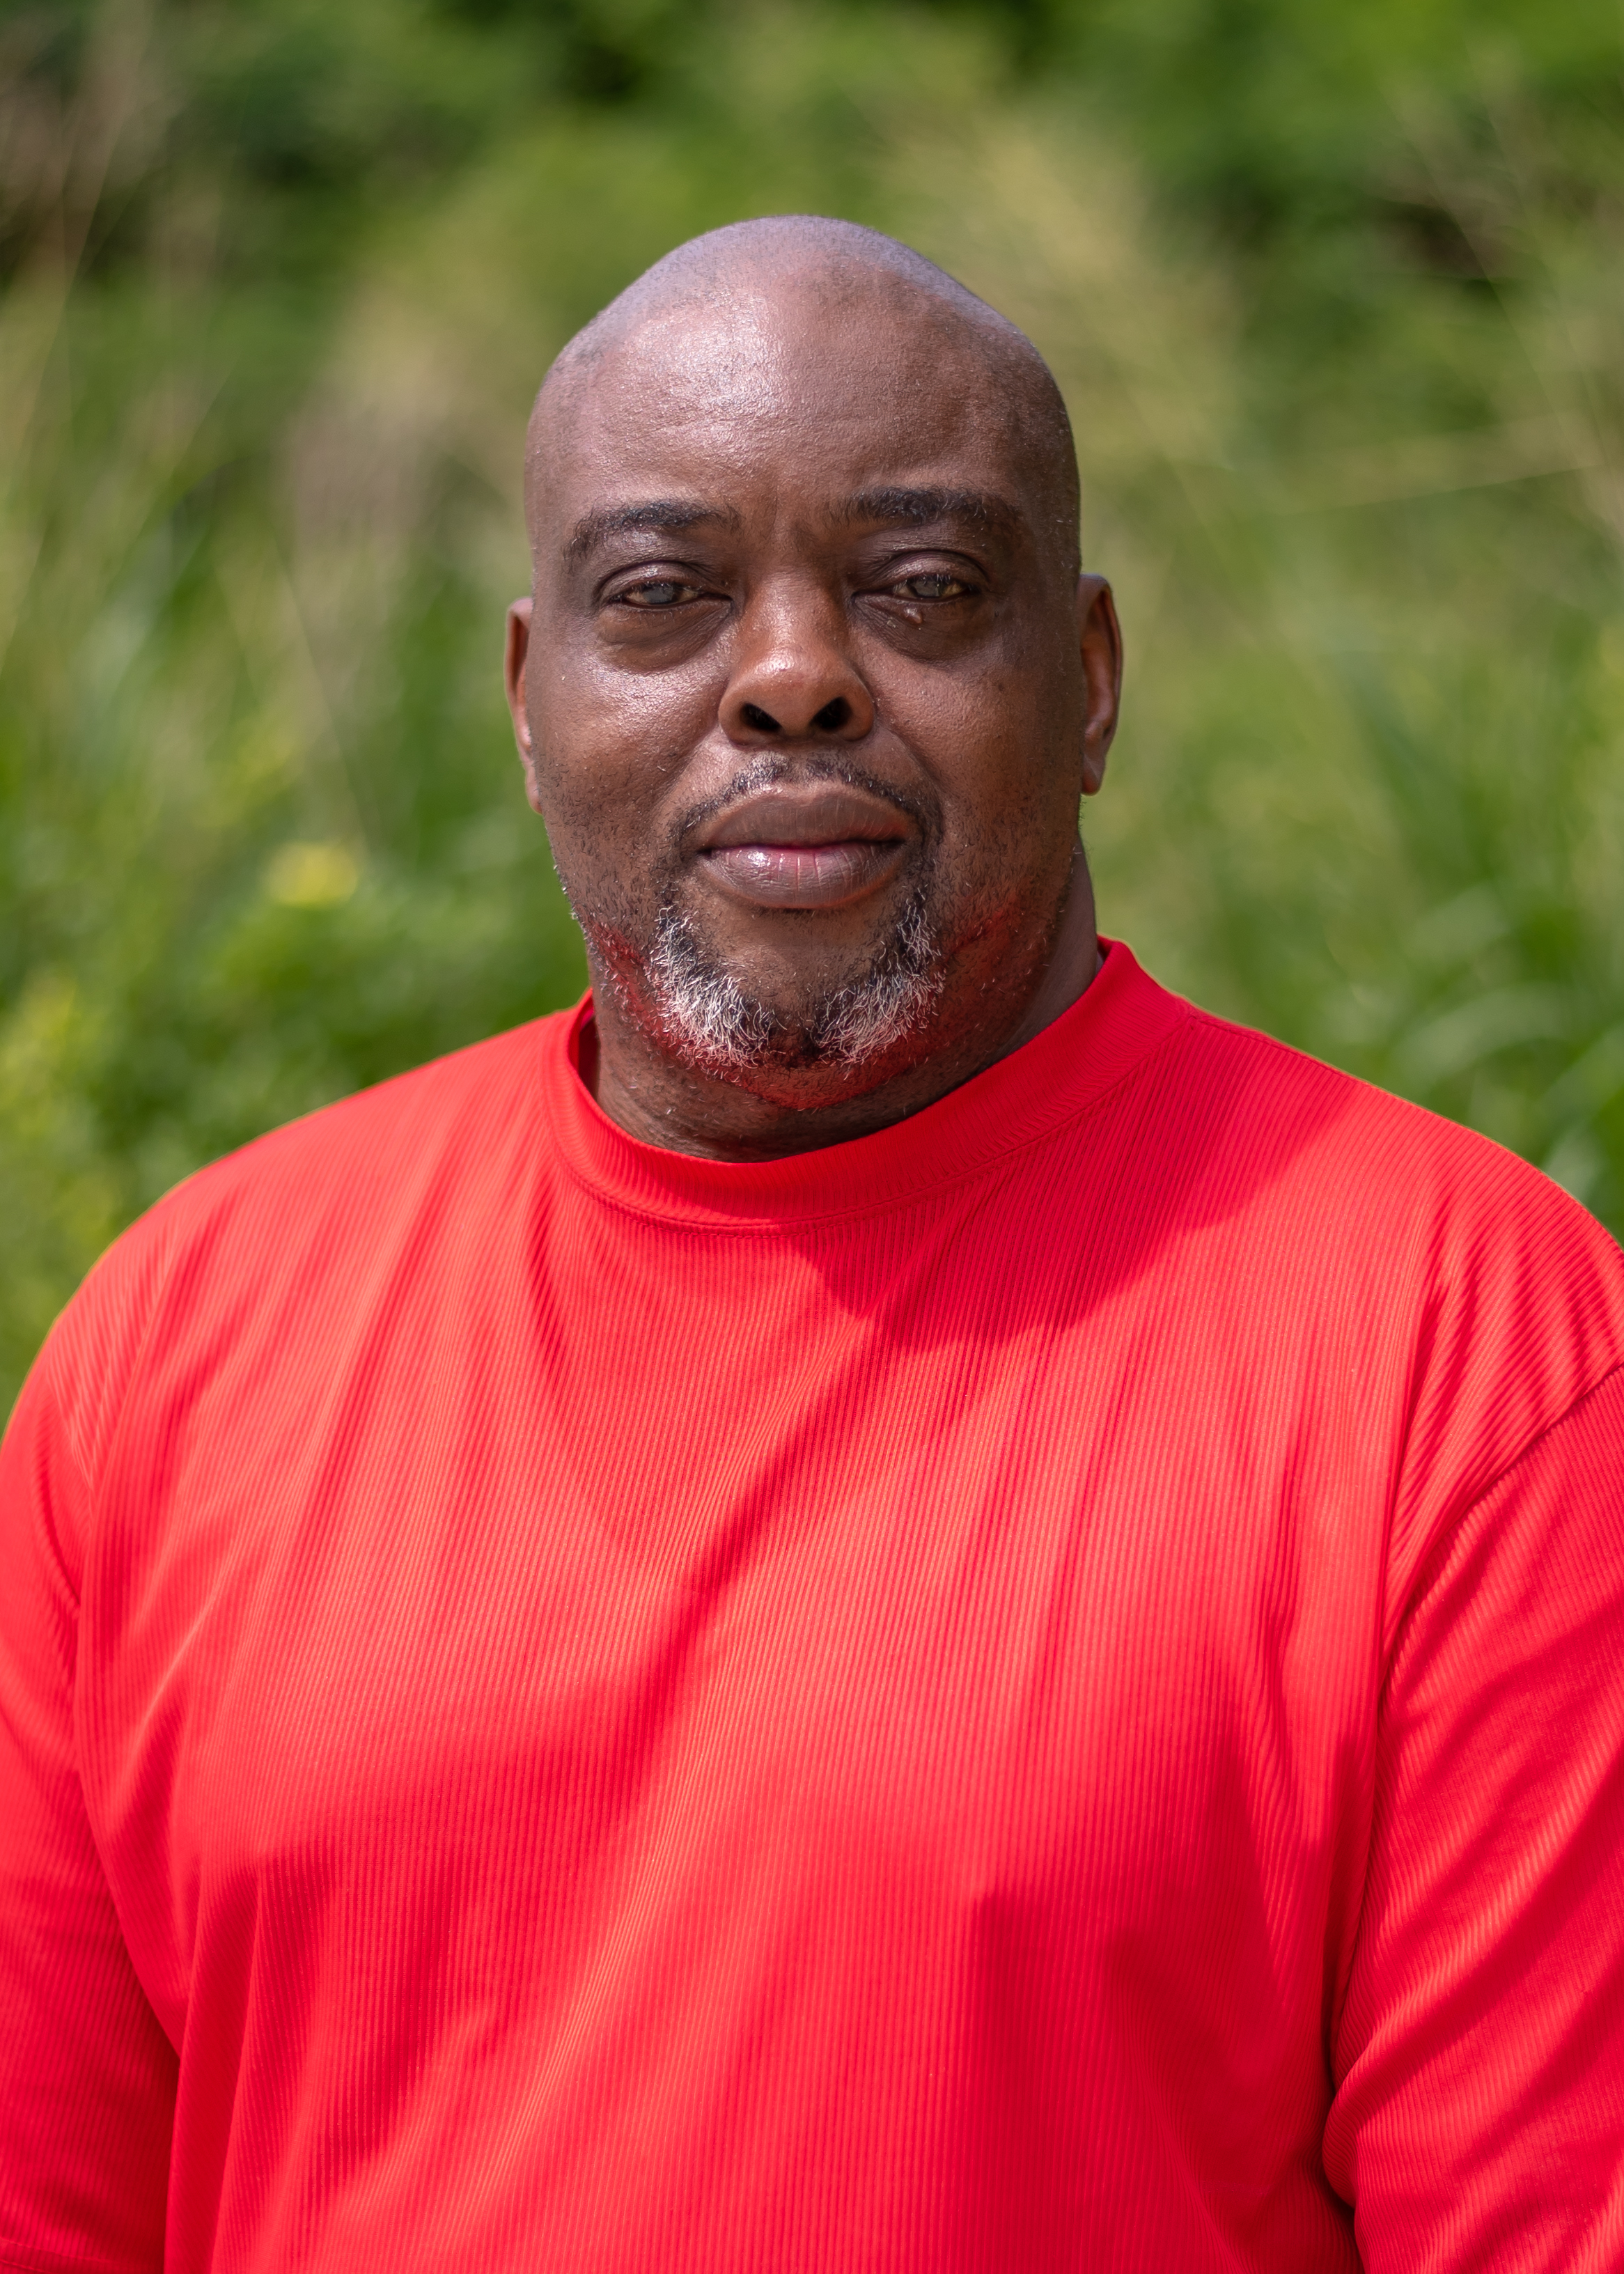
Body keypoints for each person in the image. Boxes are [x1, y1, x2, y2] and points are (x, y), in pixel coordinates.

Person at [2, 216, 1622, 2274]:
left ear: (1094, 679)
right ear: (528, 698)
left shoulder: (1468, 1348)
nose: (791, 677)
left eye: (925, 590)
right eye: (662, 596)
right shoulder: (184, 1342)